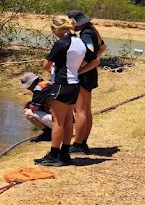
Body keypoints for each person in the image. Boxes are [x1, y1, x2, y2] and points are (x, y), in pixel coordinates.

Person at [35, 15, 86, 167]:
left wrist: (53, 70)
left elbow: (46, 65)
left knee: (58, 121)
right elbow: (88, 60)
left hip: (61, 84)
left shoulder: (61, 42)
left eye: (53, 30)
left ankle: (54, 154)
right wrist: (74, 69)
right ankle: (65, 153)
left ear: (57, 28)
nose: (53, 33)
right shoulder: (80, 41)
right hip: (74, 84)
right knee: (69, 120)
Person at [67, 10, 106, 153]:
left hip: (84, 75)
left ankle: (77, 144)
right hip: (91, 73)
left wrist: (80, 67)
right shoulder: (92, 31)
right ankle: (83, 142)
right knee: (86, 110)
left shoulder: (86, 34)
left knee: (80, 111)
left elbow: (88, 51)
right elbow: (102, 47)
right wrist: (93, 61)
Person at [20, 72, 53, 140]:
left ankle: (48, 133)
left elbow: (33, 107)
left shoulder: (39, 89)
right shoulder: (48, 83)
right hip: (68, 120)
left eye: (28, 86)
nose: (28, 89)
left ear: (32, 82)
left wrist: (27, 106)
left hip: (58, 122)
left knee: (28, 113)